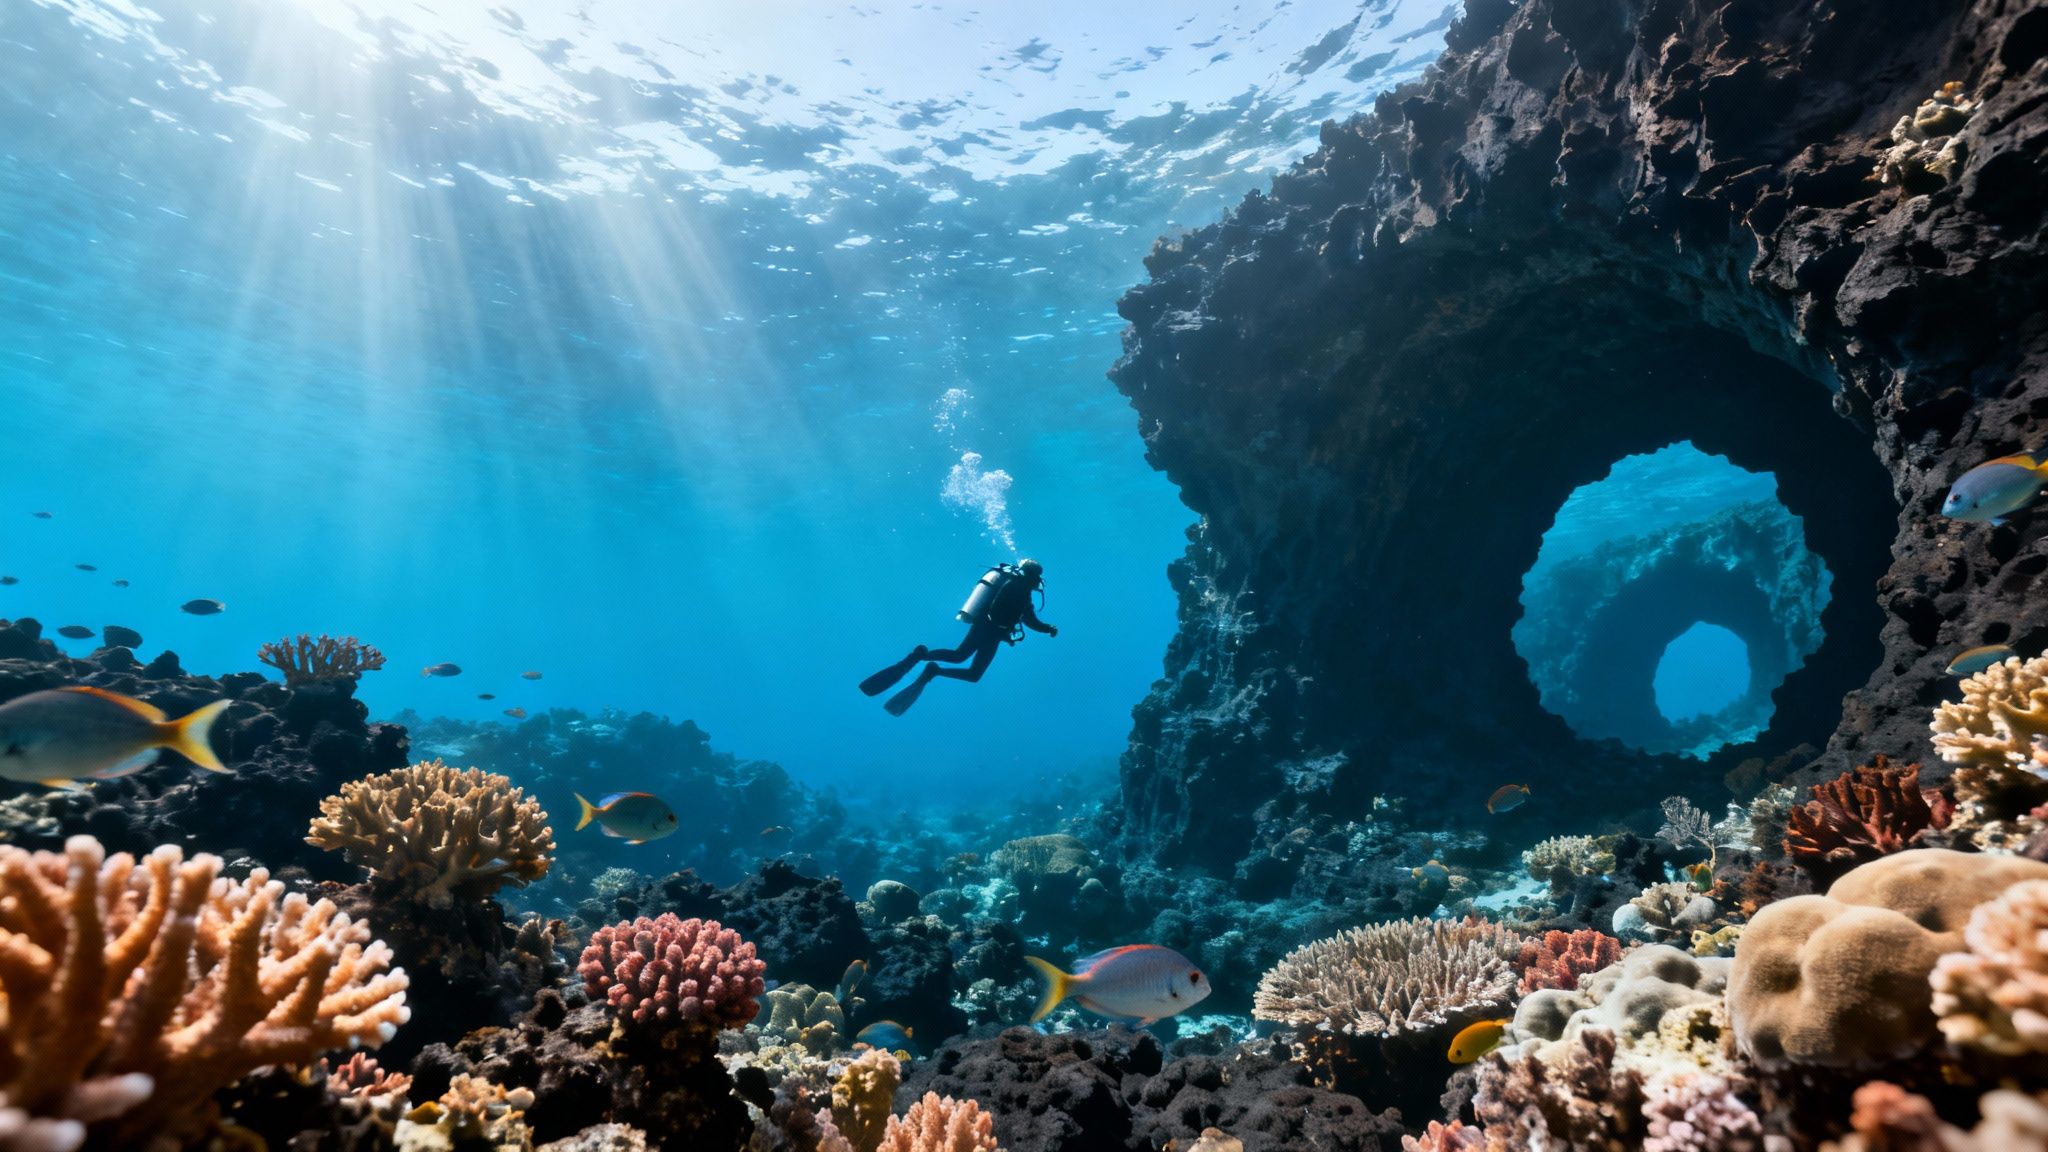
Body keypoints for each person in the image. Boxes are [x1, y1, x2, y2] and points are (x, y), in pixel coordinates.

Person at [861, 558, 1058, 716]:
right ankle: (928, 664)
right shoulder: (1020, 590)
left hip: (988, 630)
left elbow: (1012, 615)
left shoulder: (1014, 586)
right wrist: (1047, 628)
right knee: (968, 667)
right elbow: (1029, 620)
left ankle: (926, 661)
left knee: (963, 662)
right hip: (989, 631)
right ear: (1033, 576)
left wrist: (1008, 633)